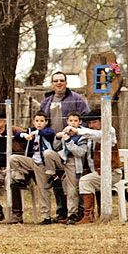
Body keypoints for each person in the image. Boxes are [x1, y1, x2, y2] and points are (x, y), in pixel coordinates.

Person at [39, 71, 91, 222]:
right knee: (56, 181)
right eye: (56, 81)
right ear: (52, 83)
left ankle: (76, 212)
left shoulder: (76, 99)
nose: (59, 83)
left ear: (66, 82)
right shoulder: (46, 102)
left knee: (72, 181)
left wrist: (75, 134)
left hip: (72, 147)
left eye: (62, 80)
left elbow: (86, 118)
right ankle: (61, 212)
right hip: (54, 143)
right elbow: (40, 120)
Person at [9, 111, 57, 224]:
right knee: (13, 158)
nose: (39, 123)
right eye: (37, 121)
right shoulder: (30, 131)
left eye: (41, 121)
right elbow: (17, 136)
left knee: (42, 189)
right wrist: (24, 135)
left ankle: (46, 216)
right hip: (31, 161)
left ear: (46, 122)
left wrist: (36, 133)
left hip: (42, 164)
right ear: (33, 122)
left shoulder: (48, 131)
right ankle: (20, 177)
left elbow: (48, 134)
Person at [75, 108, 119, 225]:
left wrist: (78, 131)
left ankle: (88, 216)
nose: (91, 125)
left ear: (102, 121)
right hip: (97, 173)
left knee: (85, 181)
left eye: (94, 122)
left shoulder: (110, 130)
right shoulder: (90, 136)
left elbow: (100, 135)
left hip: (112, 173)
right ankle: (82, 214)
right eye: (89, 123)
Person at [44, 110, 86, 224]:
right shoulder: (64, 132)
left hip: (73, 161)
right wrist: (58, 137)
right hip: (62, 158)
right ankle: (51, 175)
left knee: (71, 188)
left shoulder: (82, 135)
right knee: (48, 153)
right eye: (70, 120)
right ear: (67, 121)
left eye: (75, 121)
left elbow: (80, 152)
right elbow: (56, 147)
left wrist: (68, 141)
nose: (72, 123)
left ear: (79, 122)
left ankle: (72, 214)